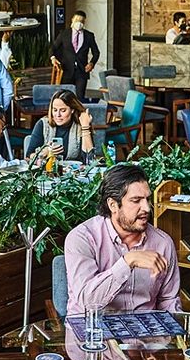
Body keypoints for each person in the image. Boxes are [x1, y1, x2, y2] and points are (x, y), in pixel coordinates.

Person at [62, 163, 180, 315]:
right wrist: (127, 262)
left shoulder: (163, 243)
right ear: (113, 205)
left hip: (144, 329)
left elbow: (169, 301)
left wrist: (175, 326)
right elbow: (88, 302)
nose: (146, 208)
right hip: (93, 328)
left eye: (147, 199)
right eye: (136, 200)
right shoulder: (82, 238)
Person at [26, 89, 96, 163]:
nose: (58, 115)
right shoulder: (43, 124)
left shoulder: (80, 125)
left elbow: (89, 159)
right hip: (48, 169)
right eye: (55, 110)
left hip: (74, 170)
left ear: (72, 110)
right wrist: (44, 153)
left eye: (63, 110)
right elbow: (28, 156)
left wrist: (85, 127)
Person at [50, 9, 99, 98]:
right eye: (77, 20)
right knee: (64, 97)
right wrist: (53, 58)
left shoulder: (89, 36)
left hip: (82, 72)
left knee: (80, 97)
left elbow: (96, 52)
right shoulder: (64, 34)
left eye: (81, 21)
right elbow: (53, 48)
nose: (79, 23)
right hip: (66, 71)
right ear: (72, 20)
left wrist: (92, 63)